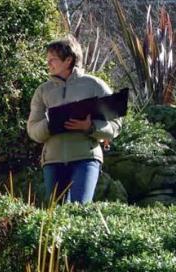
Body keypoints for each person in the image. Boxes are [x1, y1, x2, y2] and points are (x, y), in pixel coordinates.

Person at [27, 35, 122, 204]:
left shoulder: (95, 85)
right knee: (56, 215)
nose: (48, 63)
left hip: (86, 158)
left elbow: (116, 125)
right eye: (47, 59)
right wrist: (49, 124)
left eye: (53, 59)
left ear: (68, 60)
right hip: (53, 161)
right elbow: (32, 129)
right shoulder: (42, 91)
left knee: (80, 211)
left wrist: (90, 127)